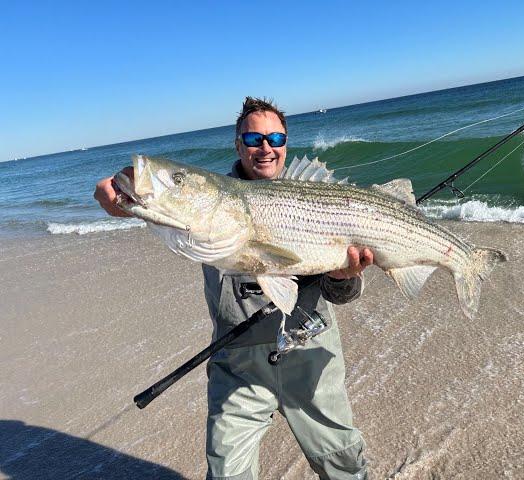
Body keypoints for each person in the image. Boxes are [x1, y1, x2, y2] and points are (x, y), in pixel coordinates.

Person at [94, 97, 371, 479]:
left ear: (286, 143)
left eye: (275, 137)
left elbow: (343, 295)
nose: (265, 147)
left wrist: (344, 276)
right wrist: (119, 199)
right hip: (236, 360)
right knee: (226, 472)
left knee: (341, 461)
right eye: (254, 138)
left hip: (311, 351)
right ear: (238, 145)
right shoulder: (211, 201)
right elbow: (141, 197)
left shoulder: (317, 201)